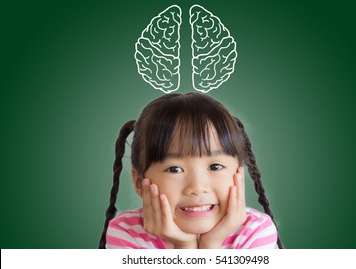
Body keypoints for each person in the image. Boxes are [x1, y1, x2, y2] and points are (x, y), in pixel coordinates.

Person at [98, 93, 283, 249]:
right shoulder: (126, 233)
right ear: (139, 182)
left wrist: (210, 246)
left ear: (238, 176)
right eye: (174, 169)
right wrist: (184, 247)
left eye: (215, 166)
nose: (197, 187)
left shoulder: (255, 232)